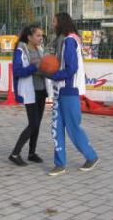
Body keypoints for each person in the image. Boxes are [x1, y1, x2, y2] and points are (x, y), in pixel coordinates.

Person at [45, 13, 99, 176]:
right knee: (56, 126)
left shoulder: (69, 41)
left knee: (73, 127)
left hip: (68, 90)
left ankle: (91, 156)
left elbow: (71, 69)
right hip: (61, 90)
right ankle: (59, 163)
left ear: (61, 23)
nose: (53, 24)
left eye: (54, 21)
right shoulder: (67, 39)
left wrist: (52, 75)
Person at [8, 24, 51, 166]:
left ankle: (32, 152)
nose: (41, 38)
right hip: (30, 91)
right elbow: (18, 71)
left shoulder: (39, 49)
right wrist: (35, 67)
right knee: (33, 123)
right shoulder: (21, 50)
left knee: (37, 124)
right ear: (29, 37)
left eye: (41, 35)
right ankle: (15, 153)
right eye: (38, 35)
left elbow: (42, 68)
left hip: (41, 91)